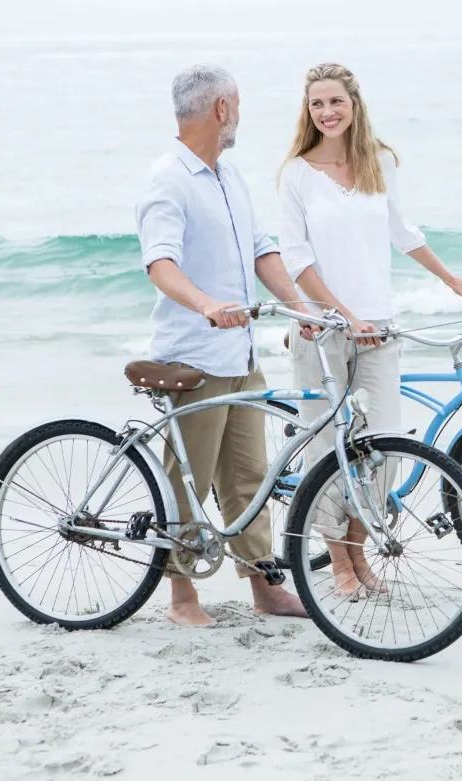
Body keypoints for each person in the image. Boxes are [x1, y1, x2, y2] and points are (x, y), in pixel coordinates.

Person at [276, 62, 462, 599]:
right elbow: (296, 261)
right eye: (317, 104)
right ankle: (340, 563)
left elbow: (402, 232)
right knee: (327, 447)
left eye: (335, 102)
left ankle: (361, 551)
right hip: (322, 327)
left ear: (354, 103)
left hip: (378, 325)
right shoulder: (297, 172)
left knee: (382, 446)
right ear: (308, 109)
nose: (327, 112)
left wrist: (450, 278)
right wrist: (344, 315)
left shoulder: (379, 162)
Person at [136, 64, 311, 625]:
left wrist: (301, 306)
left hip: (241, 356)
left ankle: (264, 586)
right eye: (238, 103)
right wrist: (206, 304)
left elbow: (261, 249)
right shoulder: (168, 179)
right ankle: (182, 598)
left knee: (248, 477)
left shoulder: (228, 176)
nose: (240, 114)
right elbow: (159, 263)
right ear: (220, 110)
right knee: (188, 478)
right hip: (194, 357)